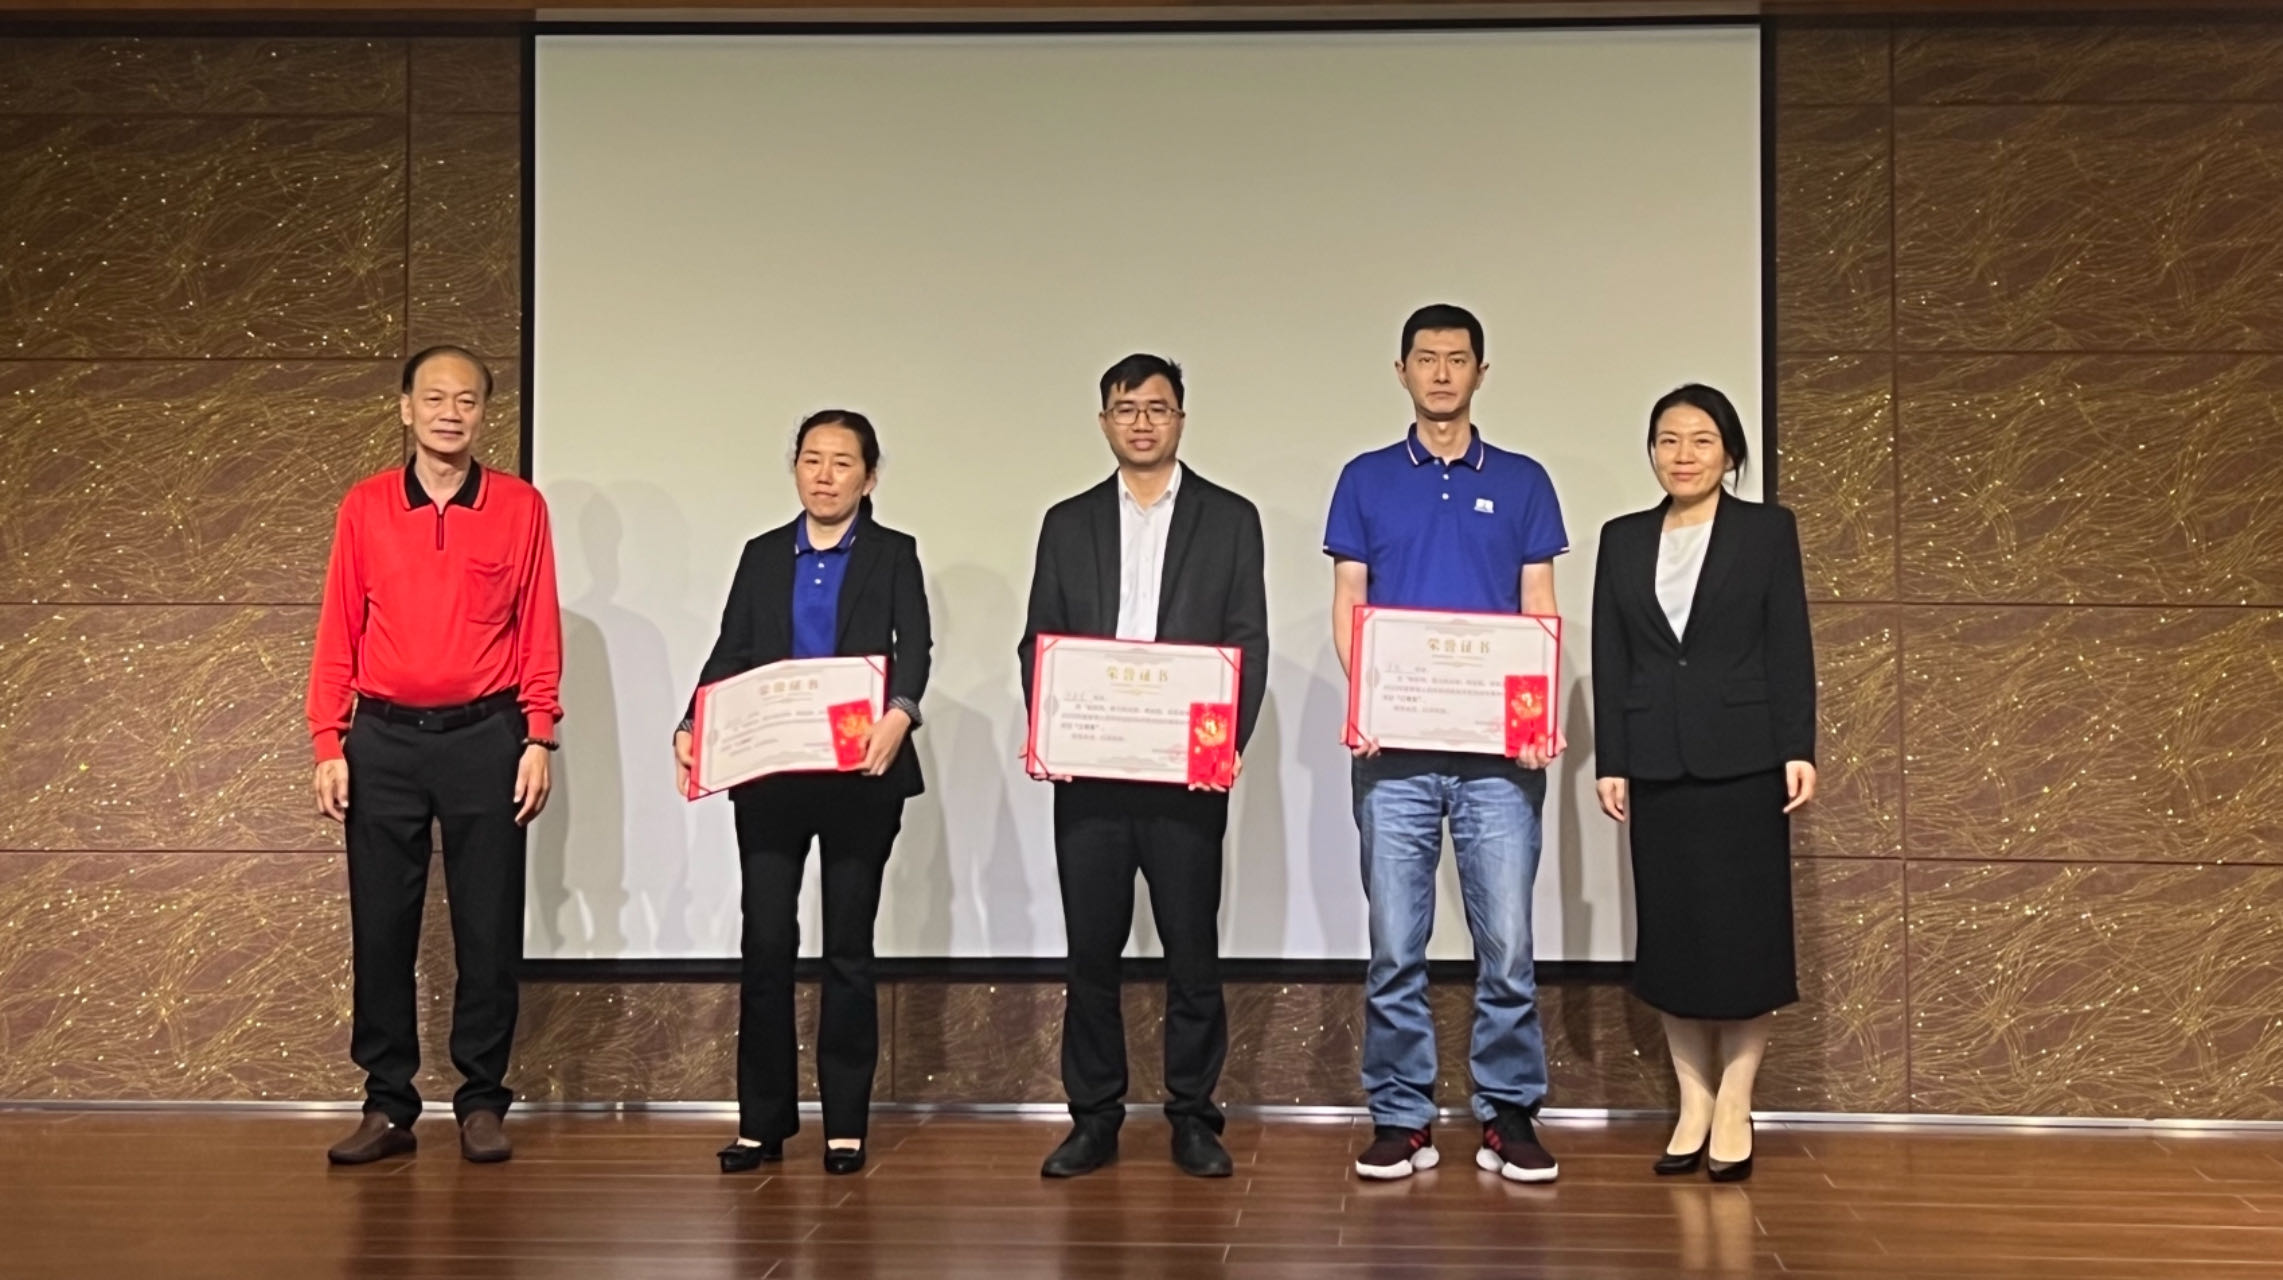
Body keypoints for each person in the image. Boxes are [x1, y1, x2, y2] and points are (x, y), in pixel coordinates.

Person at [1325, 304, 1569, 1183]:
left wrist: (1537, 716)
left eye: (1456, 359)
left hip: (1499, 760)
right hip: (1393, 757)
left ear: (1479, 373)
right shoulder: (1364, 478)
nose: (1439, 373)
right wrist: (1368, 701)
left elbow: (1537, 605)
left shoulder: (1524, 480)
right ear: (1400, 371)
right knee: (1396, 946)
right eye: (1424, 359)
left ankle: (1508, 1113)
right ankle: (1402, 1116)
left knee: (1506, 946)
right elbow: (1349, 602)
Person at [308, 345, 563, 1166]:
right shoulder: (366, 505)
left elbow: (537, 627)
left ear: (485, 412)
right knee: (382, 927)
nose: (450, 413)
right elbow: (339, 625)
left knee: (487, 927)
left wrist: (538, 735)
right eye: (434, 398)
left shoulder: (519, 507)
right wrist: (328, 740)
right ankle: (388, 1105)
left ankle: (481, 1101)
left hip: (487, 735)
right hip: (381, 740)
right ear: (405, 408)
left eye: (467, 400)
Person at [1018, 354, 1269, 1180]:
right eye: (1125, 408)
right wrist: (1052, 728)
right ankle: (1094, 1118)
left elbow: (1246, 640)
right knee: (1090, 954)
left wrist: (1222, 744)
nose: (1141, 422)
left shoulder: (1229, 518)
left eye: (1156, 408)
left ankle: (1193, 1116)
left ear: (1180, 420)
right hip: (1089, 774)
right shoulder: (1067, 521)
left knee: (1190, 951)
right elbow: (1040, 641)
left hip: (1185, 774)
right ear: (1103, 422)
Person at [674, 410, 931, 1177]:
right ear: (795, 468)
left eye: (842, 462)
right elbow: (730, 650)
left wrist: (900, 713)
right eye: (811, 459)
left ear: (869, 477)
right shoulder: (762, 554)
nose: (824, 475)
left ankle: (845, 1123)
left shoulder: (892, 552)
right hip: (771, 775)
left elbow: (914, 646)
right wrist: (690, 723)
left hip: (859, 776)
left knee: (847, 947)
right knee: (765, 944)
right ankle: (761, 1123)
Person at [1589, 383, 1816, 1184]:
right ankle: (1691, 1100)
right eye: (1667, 440)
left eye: (1700, 440)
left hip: (1745, 757)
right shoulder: (1621, 538)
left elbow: (1788, 642)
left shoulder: (1765, 531)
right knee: (1675, 937)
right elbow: (1611, 655)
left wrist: (1797, 744)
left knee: (1745, 937)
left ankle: (1735, 1101)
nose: (1681, 456)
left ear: (1729, 453)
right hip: (1655, 758)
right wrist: (1611, 758)